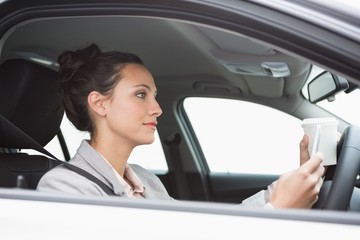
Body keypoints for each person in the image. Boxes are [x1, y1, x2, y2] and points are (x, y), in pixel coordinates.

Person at [37, 43, 325, 208]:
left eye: (154, 96)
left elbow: (198, 231)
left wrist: (284, 190)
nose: (157, 108)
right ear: (100, 104)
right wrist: (275, 213)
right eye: (140, 94)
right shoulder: (63, 188)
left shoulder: (143, 179)